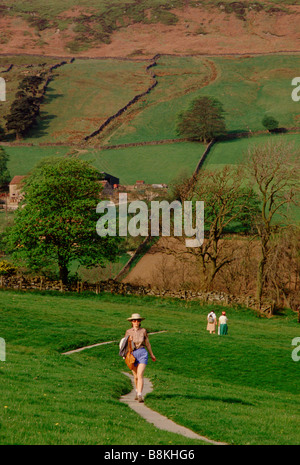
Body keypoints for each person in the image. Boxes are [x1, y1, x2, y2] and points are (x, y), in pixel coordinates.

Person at [124, 313, 156, 403]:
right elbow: (124, 345)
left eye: (138, 320)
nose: (136, 322)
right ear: (131, 322)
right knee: (135, 376)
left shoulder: (143, 331)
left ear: (140, 322)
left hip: (142, 353)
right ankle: (137, 391)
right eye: (134, 320)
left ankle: (140, 395)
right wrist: (125, 355)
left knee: (140, 374)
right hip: (132, 354)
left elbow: (147, 343)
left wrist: (151, 354)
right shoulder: (128, 332)